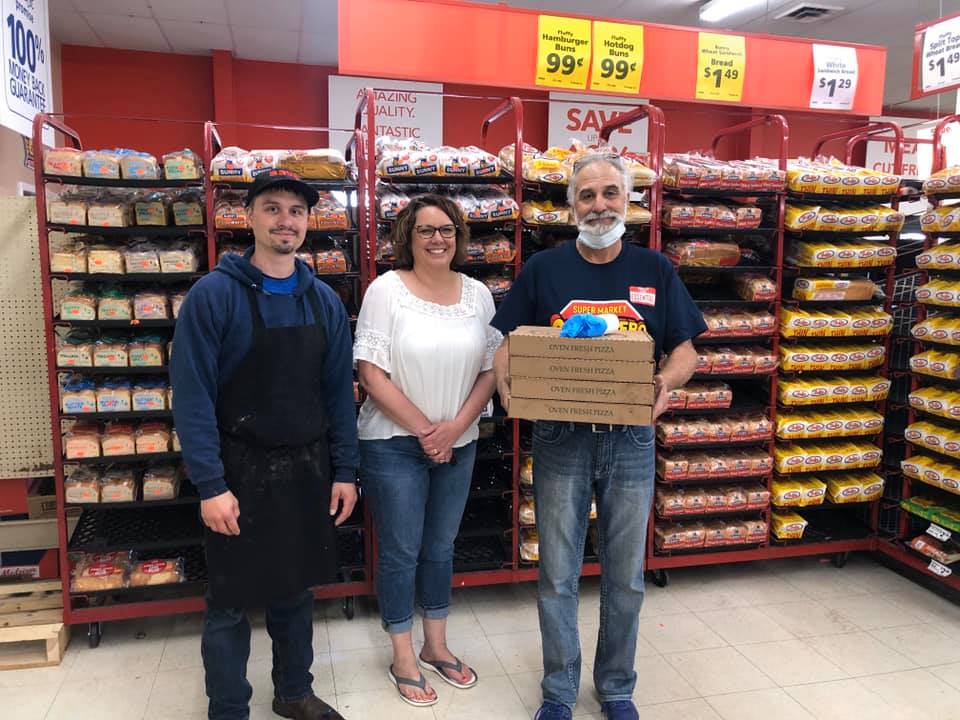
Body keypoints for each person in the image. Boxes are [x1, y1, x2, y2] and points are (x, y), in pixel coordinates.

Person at [490, 154, 706, 720]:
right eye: (586, 195)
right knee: (557, 572)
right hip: (561, 437)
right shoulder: (544, 269)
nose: (599, 205)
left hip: (631, 437)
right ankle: (559, 691)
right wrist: (506, 382)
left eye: (610, 192)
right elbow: (509, 342)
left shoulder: (656, 269)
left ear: (628, 200)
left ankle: (615, 688)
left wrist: (665, 383)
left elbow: (686, 350)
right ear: (571, 207)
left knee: (626, 575)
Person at [171, 169, 358, 720]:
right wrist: (211, 485)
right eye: (272, 208)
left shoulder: (323, 300)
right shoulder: (213, 296)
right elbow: (192, 396)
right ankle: (228, 708)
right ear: (249, 217)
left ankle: (294, 693)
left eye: (296, 211)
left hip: (306, 468)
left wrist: (345, 470)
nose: (286, 221)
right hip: (237, 470)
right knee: (229, 603)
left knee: (296, 590)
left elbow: (338, 394)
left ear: (308, 222)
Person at [354, 194, 499, 707]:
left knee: (441, 547)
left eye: (446, 230)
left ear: (458, 236)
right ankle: (402, 656)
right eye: (425, 231)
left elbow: (491, 369)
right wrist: (426, 431)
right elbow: (370, 373)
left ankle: (435, 645)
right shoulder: (386, 290)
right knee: (400, 551)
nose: (437, 239)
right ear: (408, 238)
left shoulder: (479, 294)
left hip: (459, 442)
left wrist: (454, 428)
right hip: (392, 443)